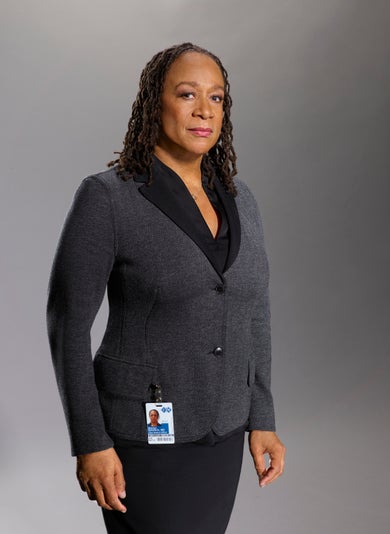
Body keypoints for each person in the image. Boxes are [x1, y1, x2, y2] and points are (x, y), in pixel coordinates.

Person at [47, 42, 285, 534]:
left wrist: (262, 416)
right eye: (187, 94)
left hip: (222, 430)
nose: (204, 110)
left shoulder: (241, 199)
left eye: (216, 98)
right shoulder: (108, 198)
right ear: (154, 102)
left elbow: (255, 313)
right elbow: (67, 326)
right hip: (142, 435)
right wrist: (90, 441)